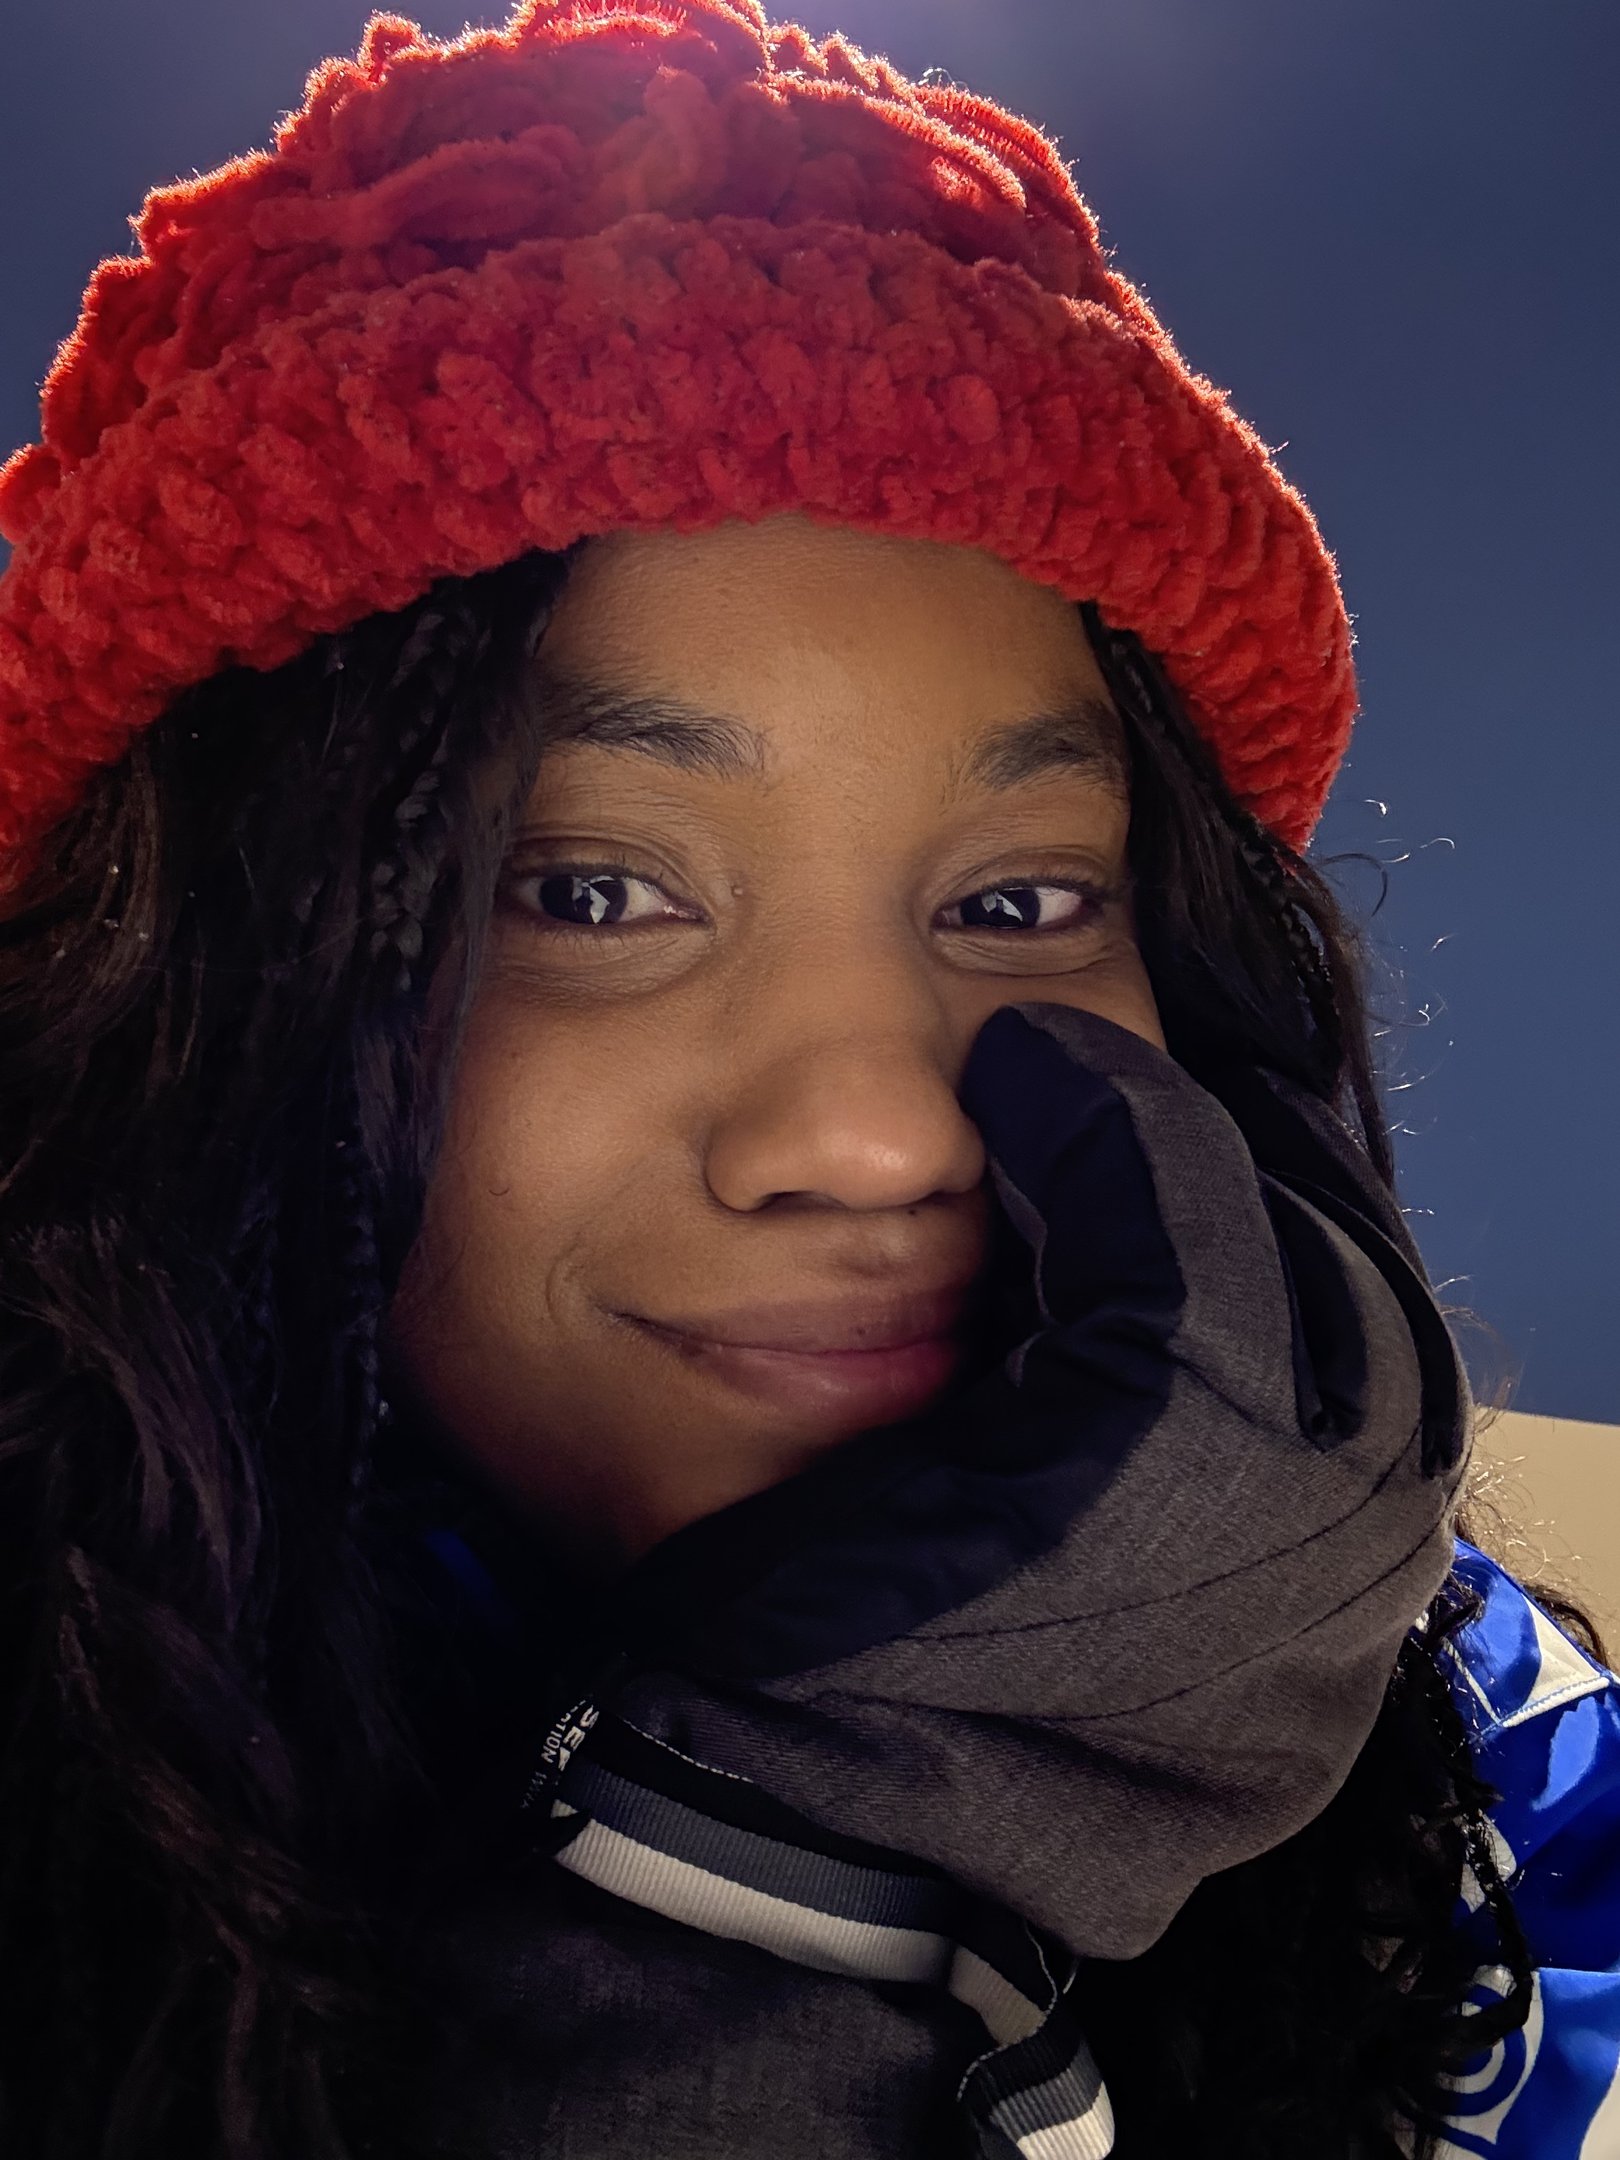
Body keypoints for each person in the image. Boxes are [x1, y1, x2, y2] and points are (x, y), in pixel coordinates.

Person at [0, 2, 1615, 2155]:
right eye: (585, 896)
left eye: (1024, 904)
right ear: (203, 989)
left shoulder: (1485, 1776)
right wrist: (773, 1918)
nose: (876, 1137)